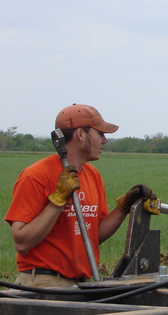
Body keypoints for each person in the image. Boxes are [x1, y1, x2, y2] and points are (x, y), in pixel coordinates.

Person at [5, 104, 156, 288]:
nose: (105, 140)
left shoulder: (92, 176)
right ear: (80, 134)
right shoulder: (36, 176)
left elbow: (93, 235)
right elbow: (22, 242)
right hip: (43, 282)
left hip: (79, 284)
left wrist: (124, 207)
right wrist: (58, 200)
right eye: (100, 133)